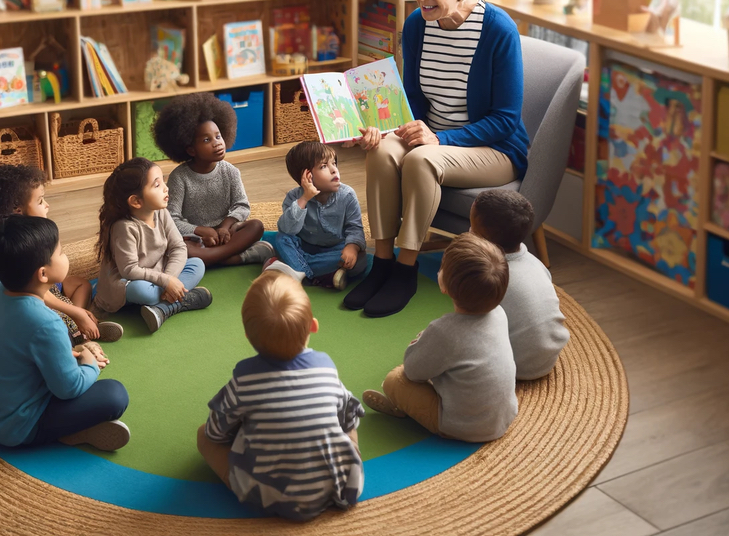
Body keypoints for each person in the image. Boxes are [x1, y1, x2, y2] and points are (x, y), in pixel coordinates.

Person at [343, 0, 530, 318]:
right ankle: (383, 263)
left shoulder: (499, 31)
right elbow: (411, 98)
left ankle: (405, 270)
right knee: (380, 152)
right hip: (430, 133)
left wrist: (440, 138)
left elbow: (506, 120)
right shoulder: (416, 25)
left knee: (420, 159)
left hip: (492, 148)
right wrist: (387, 126)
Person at [197, 271, 364, 521]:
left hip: (268, 497)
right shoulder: (326, 367)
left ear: (247, 336)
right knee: (348, 418)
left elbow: (215, 432)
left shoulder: (245, 377)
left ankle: (242, 484)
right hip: (339, 486)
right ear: (313, 326)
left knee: (203, 436)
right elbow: (349, 418)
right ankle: (344, 465)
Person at [0, 215, 130, 449]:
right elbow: (69, 388)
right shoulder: (46, 323)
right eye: (61, 252)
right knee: (115, 395)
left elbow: (39, 303)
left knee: (56, 355)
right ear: (43, 274)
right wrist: (88, 364)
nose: (65, 256)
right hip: (18, 427)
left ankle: (71, 428)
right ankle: (68, 434)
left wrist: (74, 317)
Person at [363, 233, 518, 443]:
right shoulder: (500, 313)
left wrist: (421, 340)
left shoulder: (444, 331)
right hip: (504, 417)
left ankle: (407, 411)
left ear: (444, 285)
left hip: (462, 426)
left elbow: (412, 370)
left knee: (394, 380)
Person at [0, 164, 121, 349]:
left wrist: (76, 312)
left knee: (81, 285)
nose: (47, 205)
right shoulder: (15, 248)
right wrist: (75, 311)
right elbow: (32, 294)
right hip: (5, 318)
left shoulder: (15, 234)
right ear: (17, 209)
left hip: (29, 289)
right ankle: (75, 335)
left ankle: (78, 322)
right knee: (50, 320)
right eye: (40, 201)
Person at [93, 158, 213, 333]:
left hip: (157, 275)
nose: (166, 188)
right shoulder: (124, 227)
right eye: (157, 185)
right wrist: (167, 281)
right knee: (143, 291)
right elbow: (129, 270)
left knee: (197, 265)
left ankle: (162, 307)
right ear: (136, 201)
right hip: (129, 282)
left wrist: (170, 279)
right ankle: (174, 302)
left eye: (163, 181)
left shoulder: (161, 212)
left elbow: (178, 247)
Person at [154, 93, 274, 267]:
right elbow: (172, 219)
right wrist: (200, 230)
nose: (217, 143)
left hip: (227, 234)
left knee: (256, 226)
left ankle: (212, 259)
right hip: (196, 238)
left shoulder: (230, 171)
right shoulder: (179, 177)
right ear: (190, 150)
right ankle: (237, 258)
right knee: (177, 245)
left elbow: (242, 205)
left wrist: (225, 226)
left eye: (218, 136)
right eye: (206, 140)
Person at [471, 190, 568, 380]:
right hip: (547, 359)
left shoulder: (489, 276)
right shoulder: (537, 264)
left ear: (483, 238)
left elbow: (473, 324)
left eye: (472, 229)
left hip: (514, 365)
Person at [265, 141, 367, 289]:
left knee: (360, 260)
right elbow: (287, 229)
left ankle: (296, 269)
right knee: (281, 238)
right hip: (304, 246)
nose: (334, 170)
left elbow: (355, 228)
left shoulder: (347, 195)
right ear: (306, 176)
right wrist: (305, 198)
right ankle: (318, 274)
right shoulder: (294, 197)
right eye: (323, 166)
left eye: (334, 163)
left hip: (335, 248)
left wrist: (352, 247)